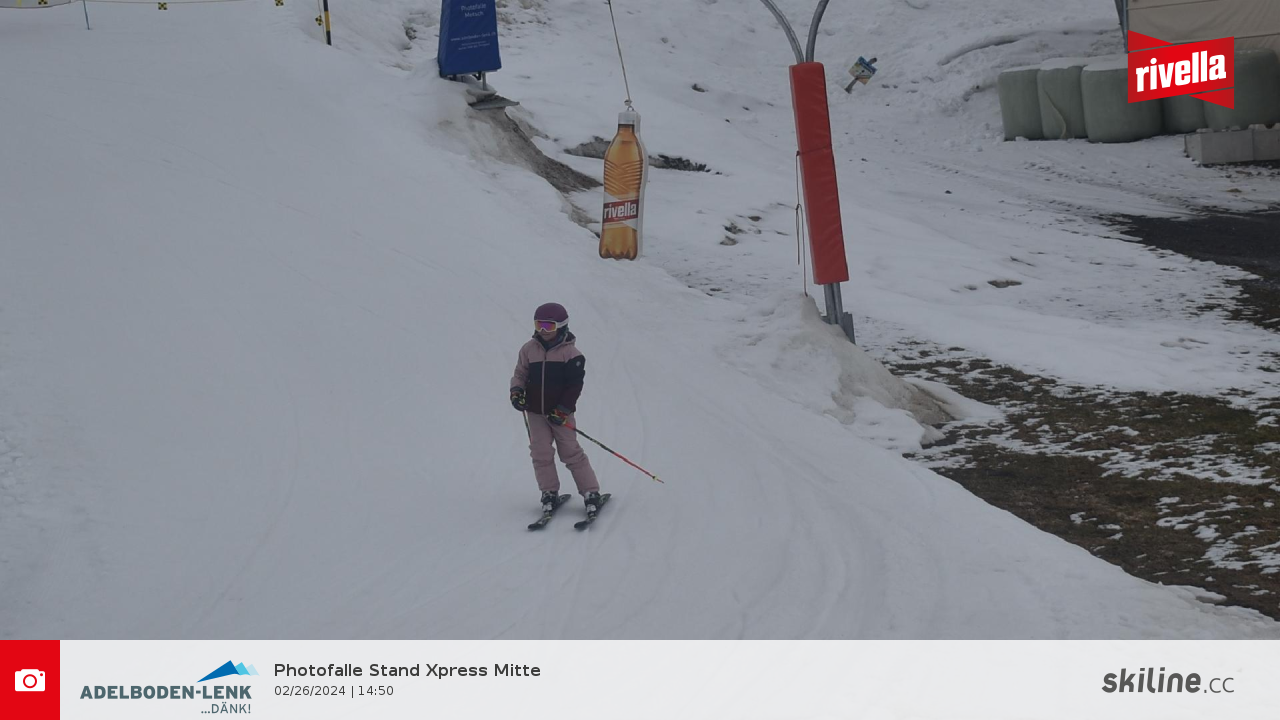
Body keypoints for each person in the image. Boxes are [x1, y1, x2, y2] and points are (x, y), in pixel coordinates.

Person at [509, 303, 603, 514]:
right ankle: (549, 492)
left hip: (561, 414)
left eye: (549, 326)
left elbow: (574, 387)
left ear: (561, 326)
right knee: (540, 453)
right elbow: (520, 374)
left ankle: (590, 492)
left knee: (570, 452)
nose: (543, 330)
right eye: (539, 325)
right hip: (535, 412)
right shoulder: (528, 349)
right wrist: (516, 392)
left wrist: (563, 410)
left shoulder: (571, 354)